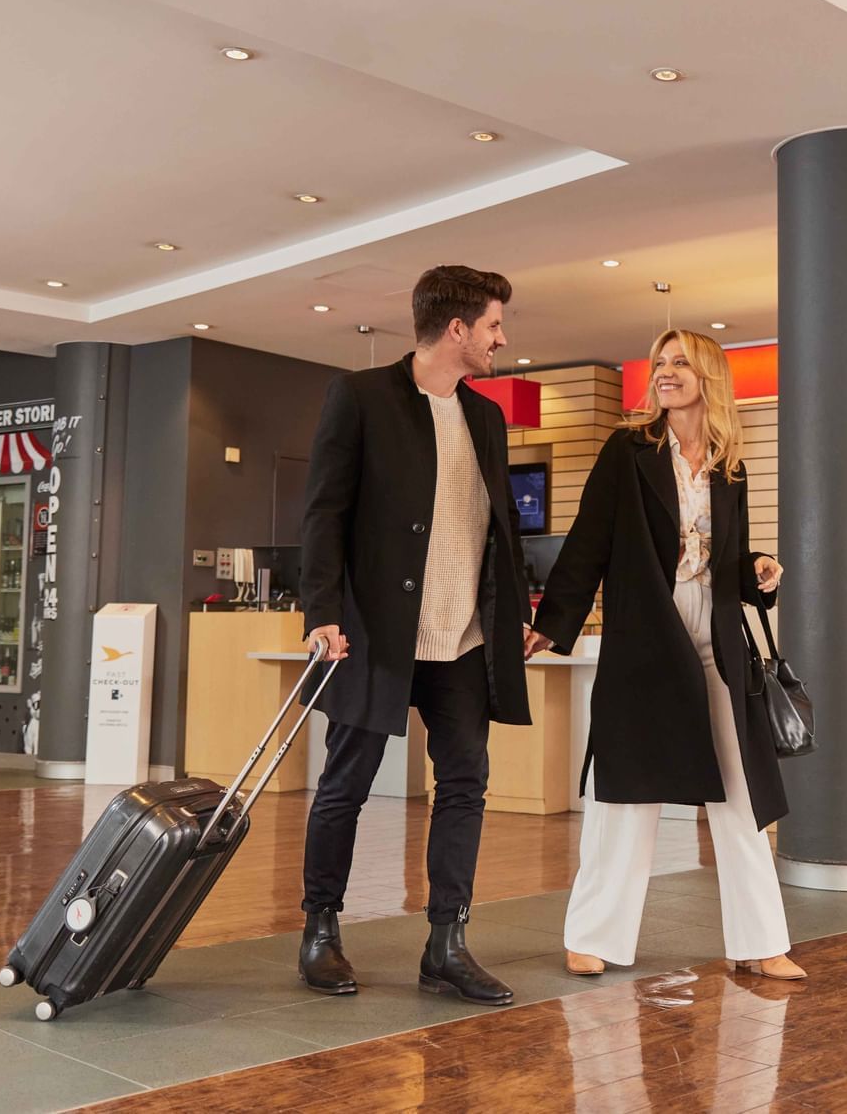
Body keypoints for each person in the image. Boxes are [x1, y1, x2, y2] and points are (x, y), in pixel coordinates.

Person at [527, 329, 805, 980]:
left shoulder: (730, 464)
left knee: (741, 790)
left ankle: (762, 941)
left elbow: (723, 559)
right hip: (646, 632)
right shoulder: (629, 450)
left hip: (717, 632)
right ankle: (591, 934)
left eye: (679, 362)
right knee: (624, 791)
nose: (664, 372)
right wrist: (553, 620)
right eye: (660, 362)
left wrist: (756, 569)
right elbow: (591, 537)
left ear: (708, 375)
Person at [296, 264, 533, 1005]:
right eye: (494, 324)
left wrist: (515, 608)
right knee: (346, 785)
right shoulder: (361, 398)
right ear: (457, 328)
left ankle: (447, 943)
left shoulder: (487, 417)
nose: (502, 337)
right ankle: (320, 927)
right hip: (378, 635)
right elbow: (324, 514)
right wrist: (321, 611)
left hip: (461, 639)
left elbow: (499, 530)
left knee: (465, 783)